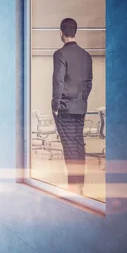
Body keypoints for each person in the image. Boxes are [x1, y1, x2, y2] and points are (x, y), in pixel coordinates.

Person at [52, 18, 93, 195]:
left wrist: (55, 103)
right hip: (80, 106)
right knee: (78, 145)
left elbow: (58, 81)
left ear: (61, 33)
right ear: (75, 32)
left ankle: (73, 187)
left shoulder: (60, 54)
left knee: (69, 146)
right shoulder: (86, 55)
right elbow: (89, 82)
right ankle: (79, 185)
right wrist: (81, 99)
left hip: (65, 107)